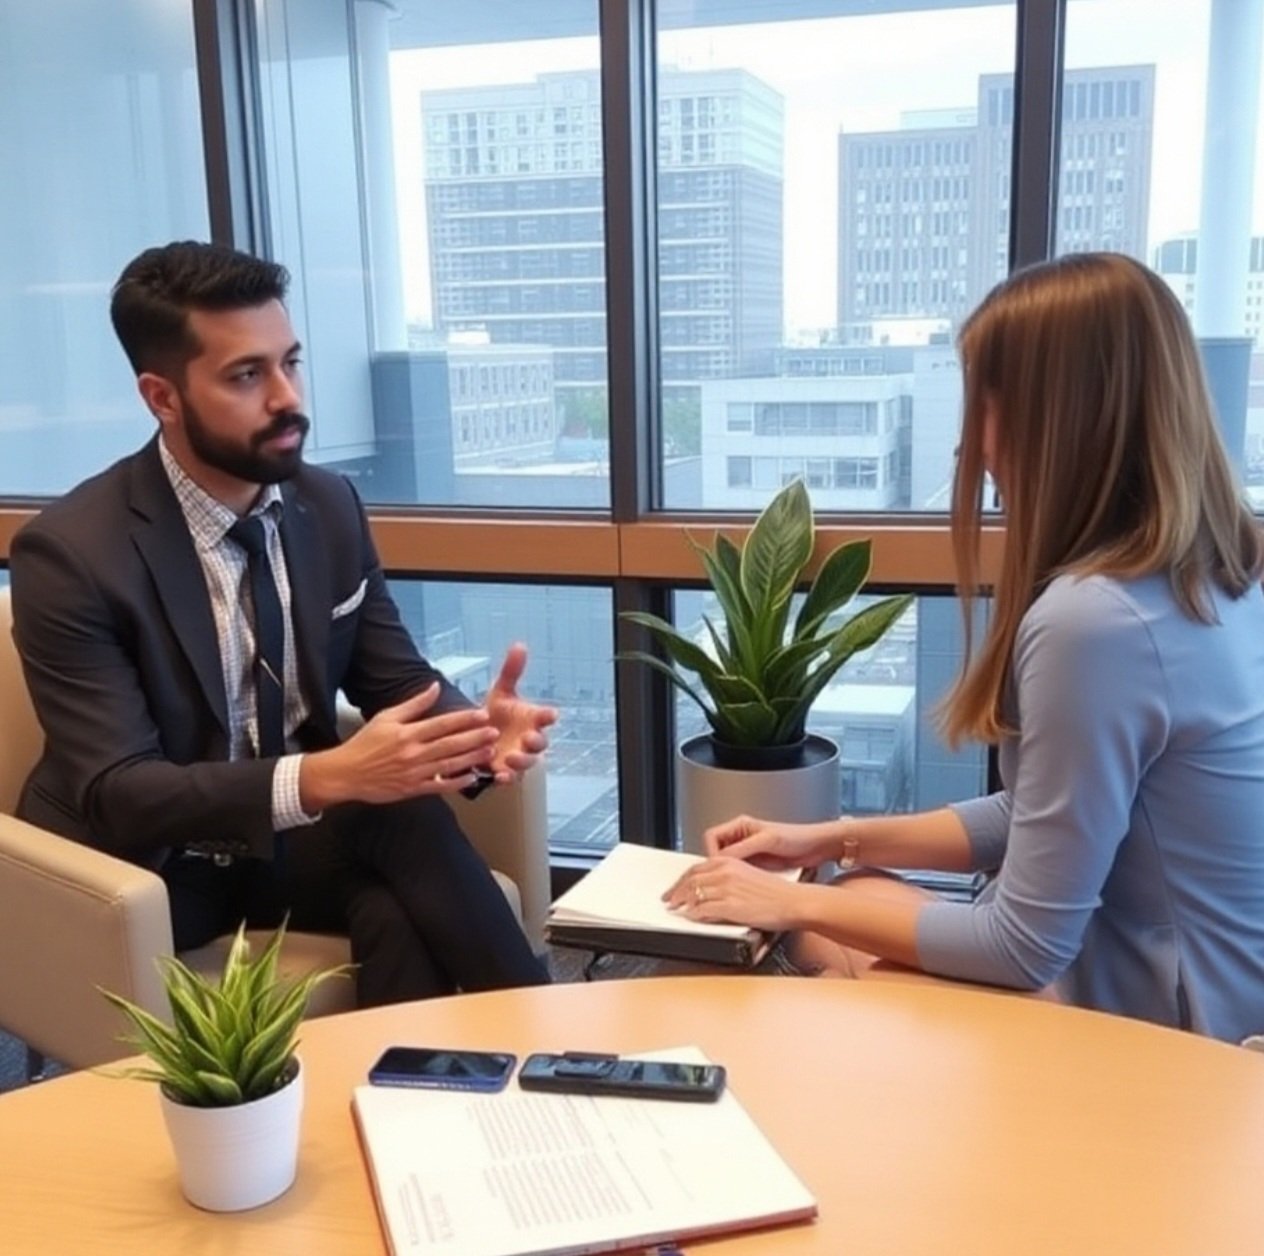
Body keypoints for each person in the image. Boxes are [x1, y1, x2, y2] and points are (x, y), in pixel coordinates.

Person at [665, 252, 1264, 1043]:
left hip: (1176, 1042)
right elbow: (1043, 811)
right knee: (863, 886)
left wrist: (790, 899)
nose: (973, 446)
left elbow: (1026, 943)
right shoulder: (1217, 571)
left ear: (1047, 416)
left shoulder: (1097, 622)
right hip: (1226, 996)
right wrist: (828, 838)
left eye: (981, 401)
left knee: (828, 938)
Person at [10, 240, 555, 1005]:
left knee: (400, 875)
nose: (287, 397)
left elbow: (395, 679)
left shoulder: (327, 506)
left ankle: (435, 1098)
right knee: (392, 849)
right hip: (142, 871)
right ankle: (563, 1058)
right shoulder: (71, 554)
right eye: (246, 375)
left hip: (280, 842)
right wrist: (329, 776)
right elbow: (120, 792)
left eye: (289, 363)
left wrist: (475, 734)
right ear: (162, 397)